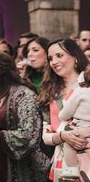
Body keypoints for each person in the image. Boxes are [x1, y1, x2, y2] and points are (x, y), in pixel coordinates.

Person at [0, 52, 49, 182]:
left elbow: (30, 135)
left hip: (25, 170)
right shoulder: (2, 94)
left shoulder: (24, 96)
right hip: (2, 163)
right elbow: (3, 122)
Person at [40, 39, 89, 180]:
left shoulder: (86, 86)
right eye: (50, 58)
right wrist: (62, 136)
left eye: (59, 56)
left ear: (75, 56)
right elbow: (45, 135)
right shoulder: (50, 92)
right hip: (63, 162)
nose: (54, 62)